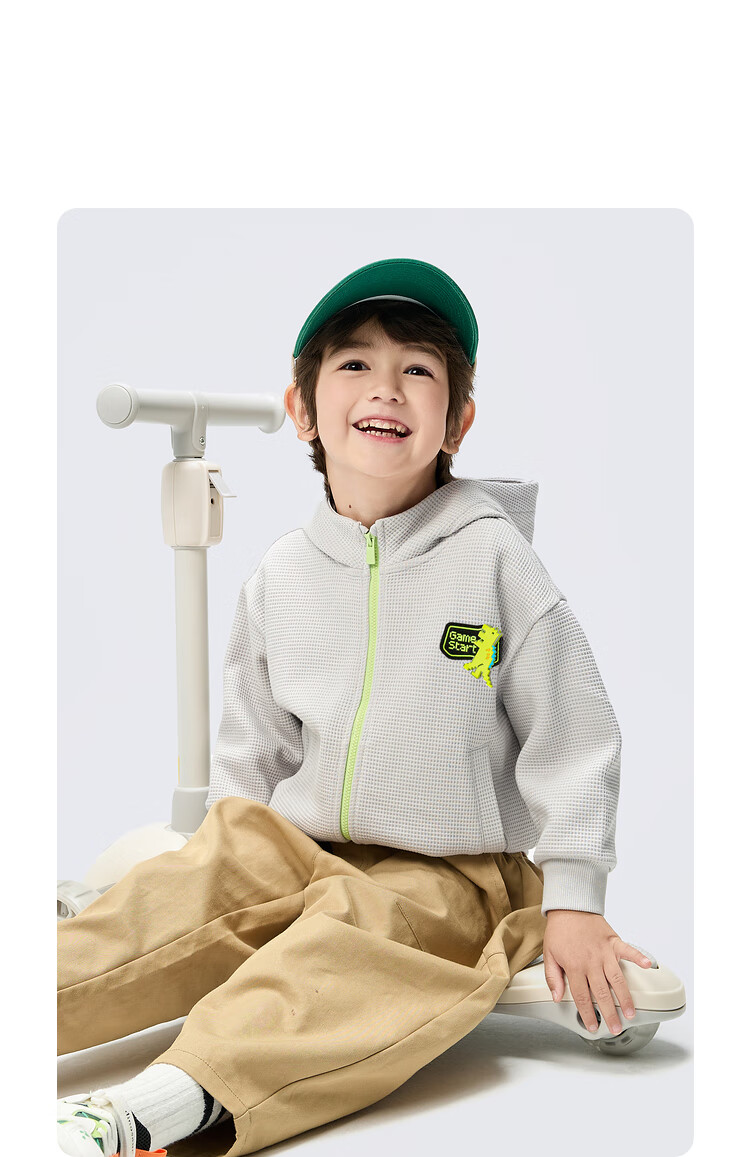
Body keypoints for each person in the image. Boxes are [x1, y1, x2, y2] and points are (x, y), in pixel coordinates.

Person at [57, 258, 653, 1157]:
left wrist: (573, 898)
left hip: (450, 869)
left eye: (418, 368)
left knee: (345, 951)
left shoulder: (495, 562)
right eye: (355, 365)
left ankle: (146, 1110)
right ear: (302, 410)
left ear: (458, 420)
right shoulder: (283, 575)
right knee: (168, 899)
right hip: (295, 843)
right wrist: (221, 860)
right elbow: (252, 744)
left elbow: (574, 734)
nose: (387, 387)